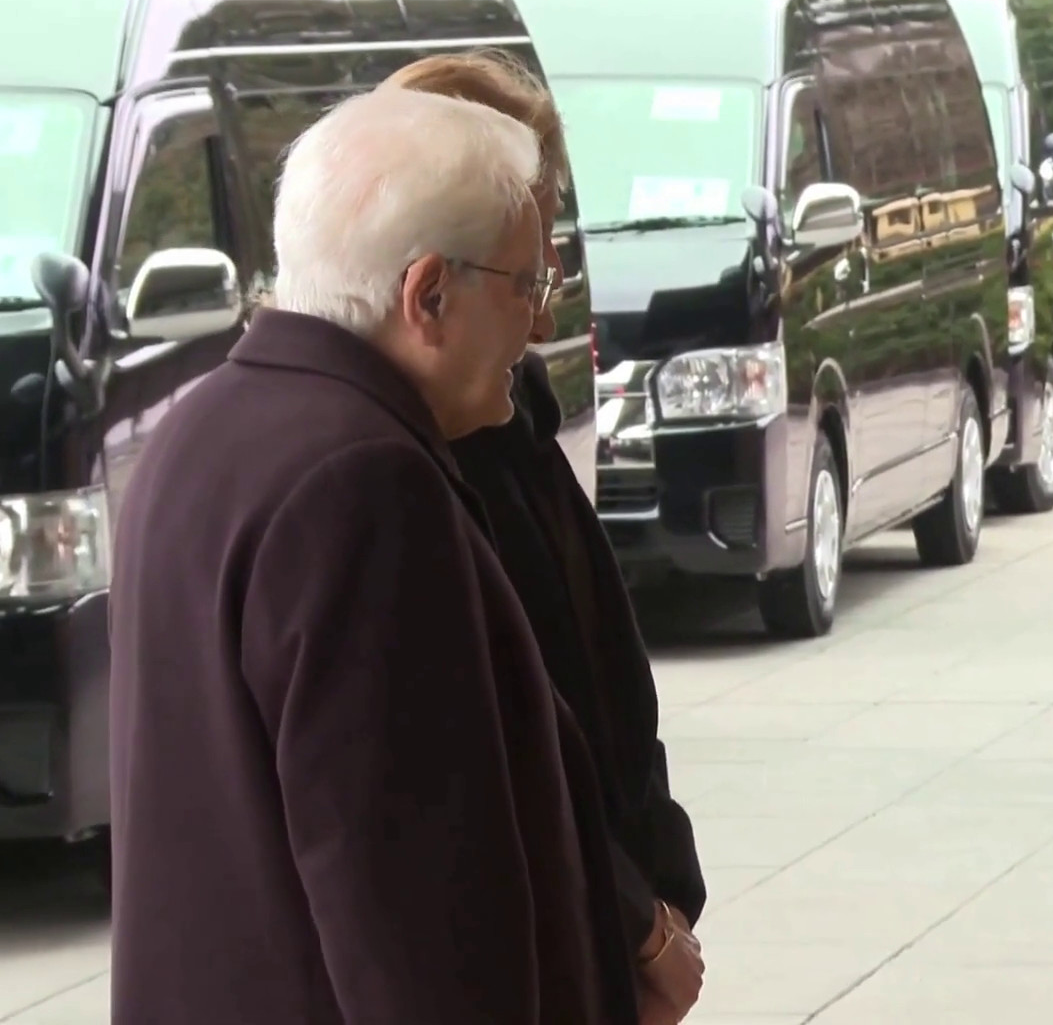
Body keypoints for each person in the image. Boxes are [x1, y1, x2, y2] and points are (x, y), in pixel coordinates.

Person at [108, 87, 621, 1023]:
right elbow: (414, 916)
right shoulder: (366, 486)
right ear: (428, 295)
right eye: (527, 286)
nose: (541, 325)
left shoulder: (201, 428)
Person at [381, 50, 708, 1025]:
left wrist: (662, 896)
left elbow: (605, 680)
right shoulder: (413, 470)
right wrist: (636, 926)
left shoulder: (511, 416)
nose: (546, 298)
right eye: (526, 266)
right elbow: (508, 750)